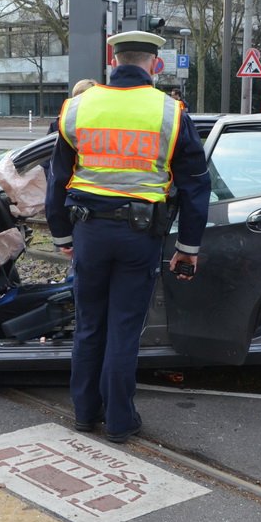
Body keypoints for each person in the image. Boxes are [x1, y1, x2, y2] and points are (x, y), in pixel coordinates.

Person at [45, 30, 211, 444]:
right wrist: (189, 248)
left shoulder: (77, 109)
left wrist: (63, 235)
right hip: (139, 237)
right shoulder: (170, 113)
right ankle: (119, 422)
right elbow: (195, 185)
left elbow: (57, 180)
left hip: (89, 232)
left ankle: (85, 413)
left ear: (112, 58)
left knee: (89, 325)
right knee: (123, 328)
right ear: (155, 64)